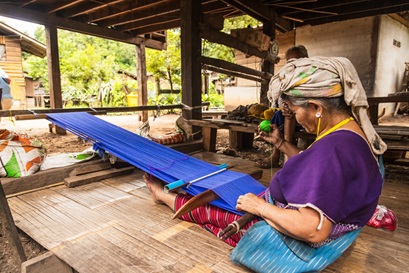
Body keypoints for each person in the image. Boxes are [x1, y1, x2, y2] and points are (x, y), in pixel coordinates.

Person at [145, 56, 386, 272]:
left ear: (316, 107)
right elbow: (316, 168)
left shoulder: (332, 150)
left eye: (293, 111)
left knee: (215, 211)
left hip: (304, 241)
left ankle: (163, 197)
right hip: (310, 213)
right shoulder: (352, 132)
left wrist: (260, 208)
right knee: (231, 195)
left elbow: (313, 229)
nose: (295, 119)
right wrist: (281, 144)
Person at [256, 45, 308, 168]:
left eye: (297, 60)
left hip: (307, 113)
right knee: (279, 115)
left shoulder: (310, 74)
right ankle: (276, 155)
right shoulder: (286, 77)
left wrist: (297, 107)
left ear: (305, 59)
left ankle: (288, 157)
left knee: (292, 111)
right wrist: (285, 106)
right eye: (290, 61)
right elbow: (280, 98)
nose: (293, 64)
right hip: (290, 116)